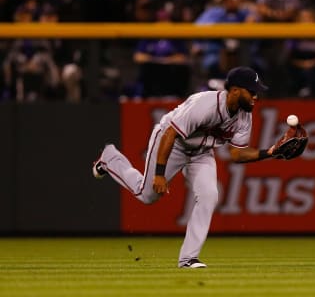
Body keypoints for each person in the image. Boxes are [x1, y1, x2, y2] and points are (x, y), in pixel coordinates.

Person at [93, 66, 274, 268]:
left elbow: (237, 153)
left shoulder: (244, 116)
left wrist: (271, 152)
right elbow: (171, 133)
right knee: (147, 195)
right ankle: (110, 159)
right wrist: (159, 174)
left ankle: (188, 258)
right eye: (252, 91)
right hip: (173, 142)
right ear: (235, 90)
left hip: (202, 152)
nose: (256, 97)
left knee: (209, 195)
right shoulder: (205, 104)